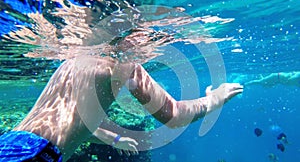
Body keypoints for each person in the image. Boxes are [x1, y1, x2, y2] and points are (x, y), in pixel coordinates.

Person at [0, 56, 243, 162]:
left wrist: (114, 138)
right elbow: (174, 116)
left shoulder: (69, 64)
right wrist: (214, 99)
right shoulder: (120, 66)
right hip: (36, 155)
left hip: (10, 144)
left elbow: (66, 123)